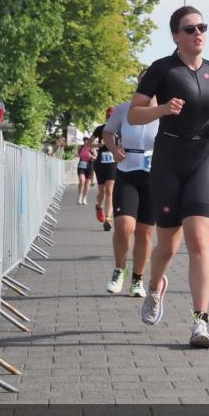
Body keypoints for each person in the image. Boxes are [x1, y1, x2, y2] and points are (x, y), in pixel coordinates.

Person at [128, 6, 209, 348]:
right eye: (190, 29)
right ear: (176, 35)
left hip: (204, 158)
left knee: (197, 240)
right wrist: (161, 109)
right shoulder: (161, 70)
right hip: (169, 160)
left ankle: (200, 323)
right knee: (168, 246)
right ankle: (156, 286)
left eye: (202, 27)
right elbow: (133, 115)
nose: (198, 33)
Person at [102, 87, 160, 298]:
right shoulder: (124, 109)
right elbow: (107, 132)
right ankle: (119, 269)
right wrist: (114, 150)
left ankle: (138, 279)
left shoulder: (165, 113)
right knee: (124, 226)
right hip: (127, 172)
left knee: (145, 232)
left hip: (154, 177)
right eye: (144, 85)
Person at [92, 107, 117, 231]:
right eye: (109, 116)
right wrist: (99, 145)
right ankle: (98, 206)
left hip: (112, 163)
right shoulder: (100, 129)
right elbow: (88, 144)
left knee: (109, 191)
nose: (110, 118)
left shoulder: (120, 129)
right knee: (101, 192)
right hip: (101, 163)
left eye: (112, 116)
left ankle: (108, 219)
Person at [76, 140, 94, 205]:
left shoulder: (92, 148)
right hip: (81, 165)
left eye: (87, 140)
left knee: (87, 183)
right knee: (82, 181)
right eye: (84, 140)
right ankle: (80, 196)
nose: (86, 141)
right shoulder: (80, 147)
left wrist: (91, 156)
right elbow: (77, 154)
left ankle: (85, 198)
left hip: (89, 166)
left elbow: (96, 157)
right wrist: (77, 154)